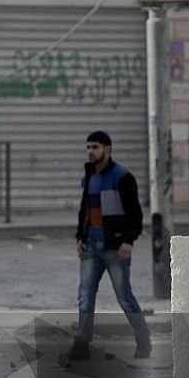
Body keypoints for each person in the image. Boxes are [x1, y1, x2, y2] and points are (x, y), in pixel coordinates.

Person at [65, 131, 151, 365]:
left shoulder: (123, 177)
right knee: (85, 297)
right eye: (88, 147)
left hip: (115, 248)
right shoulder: (89, 177)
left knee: (124, 296)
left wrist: (128, 241)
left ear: (108, 149)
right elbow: (85, 213)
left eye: (95, 147)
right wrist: (80, 238)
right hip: (91, 247)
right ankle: (82, 348)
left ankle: (144, 340)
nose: (90, 151)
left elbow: (135, 213)